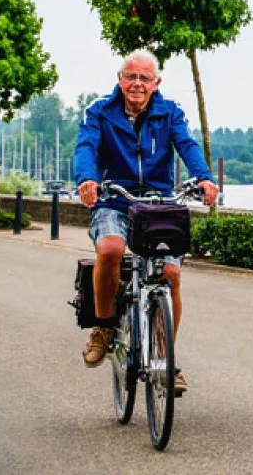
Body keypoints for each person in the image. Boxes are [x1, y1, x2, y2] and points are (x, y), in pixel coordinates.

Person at [74, 50, 219, 394]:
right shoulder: (99, 112)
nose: (137, 83)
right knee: (110, 248)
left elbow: (187, 144)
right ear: (120, 79)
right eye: (130, 76)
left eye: (144, 78)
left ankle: (166, 360)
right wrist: (87, 179)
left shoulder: (170, 113)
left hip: (158, 203)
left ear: (157, 83)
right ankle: (105, 326)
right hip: (115, 198)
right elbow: (86, 146)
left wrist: (203, 177)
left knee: (170, 273)